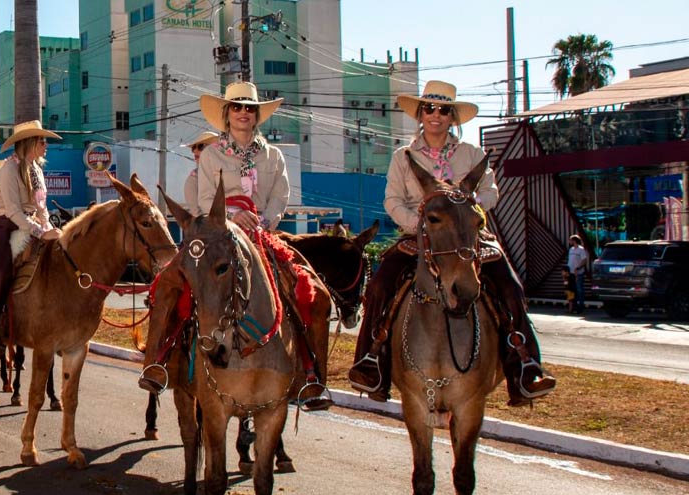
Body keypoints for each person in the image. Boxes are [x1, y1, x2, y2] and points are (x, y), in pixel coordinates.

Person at [347, 80, 556, 406]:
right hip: (416, 238)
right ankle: (371, 362)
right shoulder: (403, 157)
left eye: (444, 110)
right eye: (429, 108)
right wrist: (420, 226)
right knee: (378, 288)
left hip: (468, 239)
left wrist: (468, 208)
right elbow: (392, 201)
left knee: (511, 289)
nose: (435, 115)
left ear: (452, 117)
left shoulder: (472, 155)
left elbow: (491, 192)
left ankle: (525, 367)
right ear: (420, 113)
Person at [138, 81, 330, 410]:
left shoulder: (273, 155)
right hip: (217, 237)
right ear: (227, 115)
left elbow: (281, 196)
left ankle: (309, 375)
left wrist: (266, 221)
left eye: (249, 108)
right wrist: (233, 217)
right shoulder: (211, 155)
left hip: (263, 236)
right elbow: (202, 199)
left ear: (257, 117)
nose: (243, 113)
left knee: (306, 291)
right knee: (168, 284)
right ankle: (159, 360)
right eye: (237, 107)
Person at [0, 120, 62, 356]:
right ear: (28, 142)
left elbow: (41, 206)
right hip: (4, 225)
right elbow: (12, 211)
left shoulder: (36, 169)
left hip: (29, 222)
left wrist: (48, 226)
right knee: (0, 270)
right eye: (42, 140)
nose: (45, 144)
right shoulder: (9, 169)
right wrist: (40, 231)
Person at [181, 130, 219, 216]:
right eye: (193, 148)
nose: (195, 151)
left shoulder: (225, 172)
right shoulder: (194, 179)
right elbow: (197, 214)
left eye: (201, 146)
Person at [568, 234, 589, 314]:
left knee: (579, 289)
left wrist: (578, 267)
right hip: (571, 273)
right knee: (572, 290)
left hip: (578, 273)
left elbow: (584, 260)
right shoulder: (571, 249)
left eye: (570, 240)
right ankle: (573, 306)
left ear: (574, 241)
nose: (569, 241)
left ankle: (581, 306)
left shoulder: (581, 249)